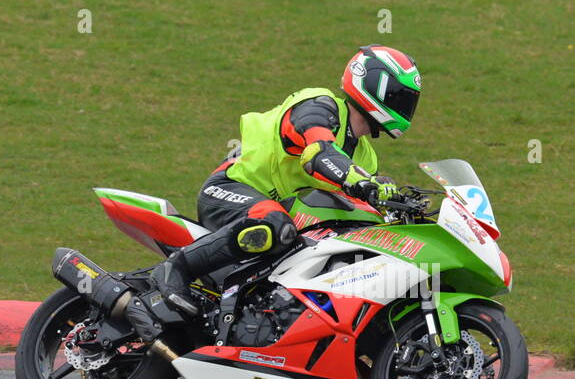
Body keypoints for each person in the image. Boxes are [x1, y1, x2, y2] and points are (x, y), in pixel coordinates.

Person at [123, 45, 421, 340]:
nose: (406, 106)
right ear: (373, 84)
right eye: (401, 96)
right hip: (232, 189)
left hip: (286, 217)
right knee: (274, 224)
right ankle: (175, 269)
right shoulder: (319, 104)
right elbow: (318, 152)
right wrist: (365, 183)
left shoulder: (367, 158)